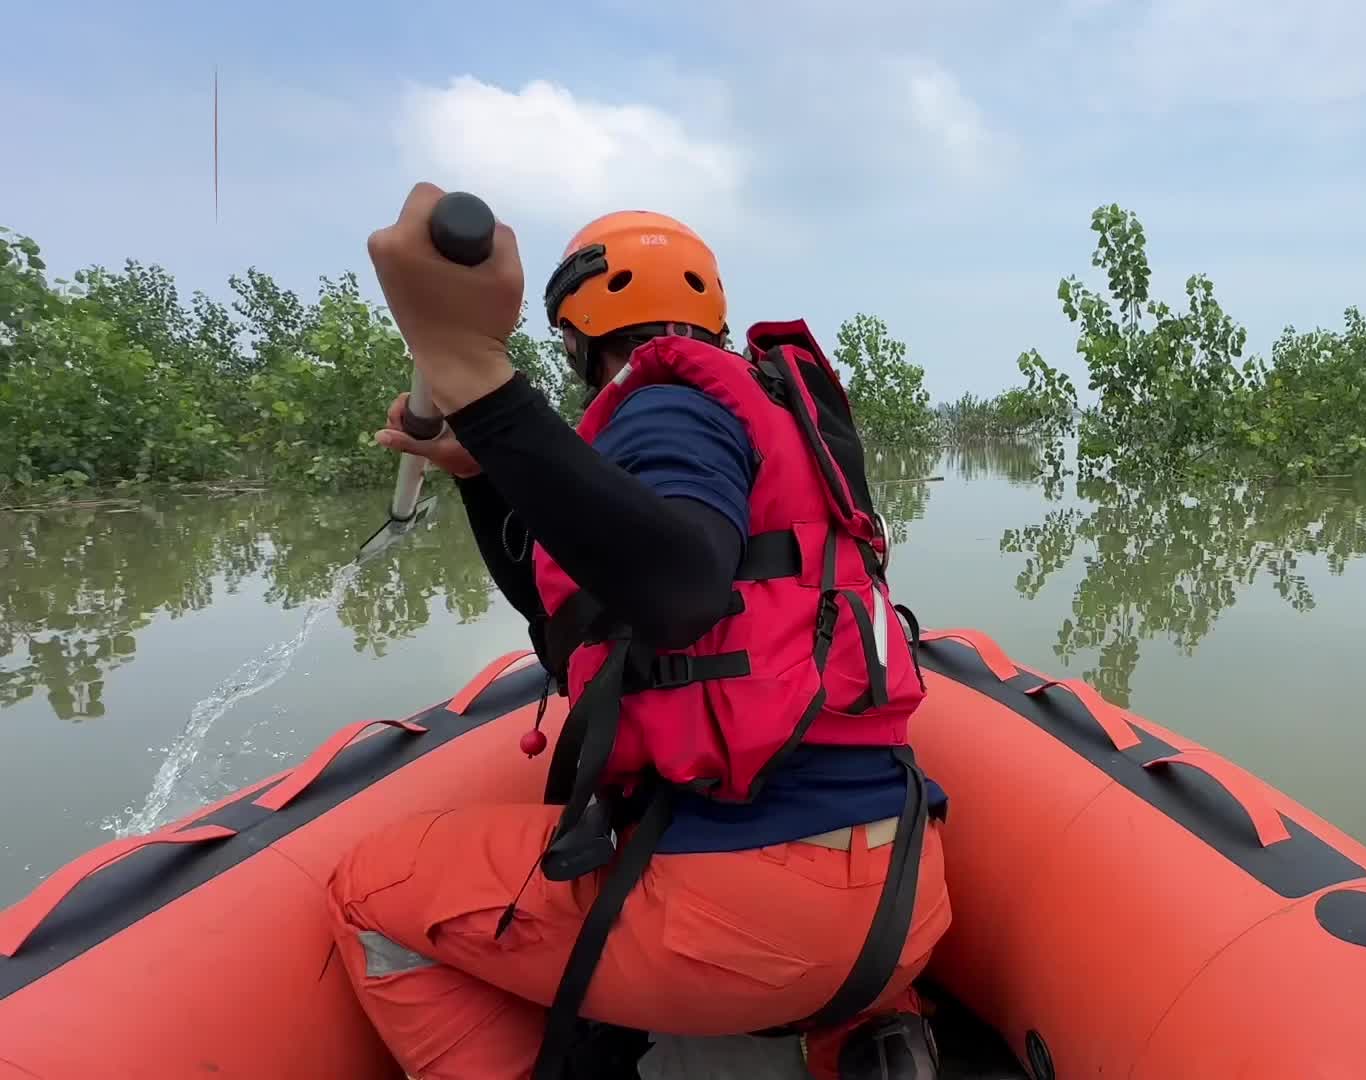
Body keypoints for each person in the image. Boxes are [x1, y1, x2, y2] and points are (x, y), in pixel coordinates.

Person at [323, 183, 950, 1080]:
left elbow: (679, 586)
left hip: (757, 917)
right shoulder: (776, 418)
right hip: (901, 899)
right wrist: (482, 468)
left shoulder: (667, 406)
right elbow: (573, 620)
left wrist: (468, 366)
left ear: (576, 331)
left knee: (367, 893)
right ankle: (870, 1035)